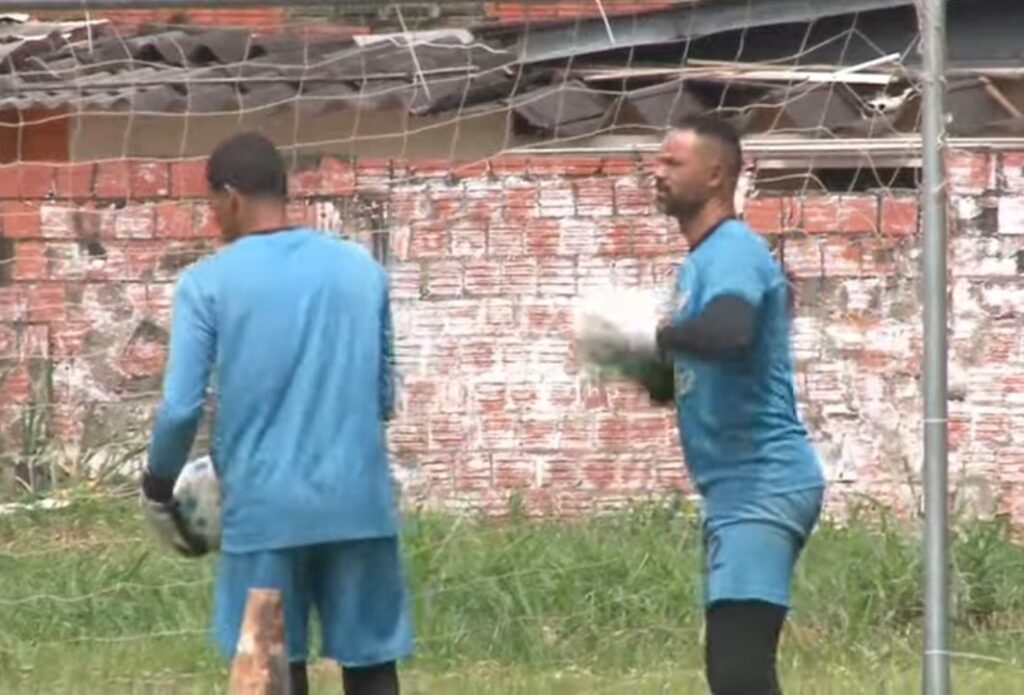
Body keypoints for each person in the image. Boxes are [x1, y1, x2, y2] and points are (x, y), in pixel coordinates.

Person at [138, 131, 412, 695]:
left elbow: (180, 407)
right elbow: (384, 395)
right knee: (372, 667)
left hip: (265, 513)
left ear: (231, 197)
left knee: (269, 667)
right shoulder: (362, 269)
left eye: (212, 203)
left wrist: (158, 483)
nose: (213, 217)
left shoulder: (207, 283)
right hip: (359, 503)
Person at [646, 117, 826, 694]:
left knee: (739, 671)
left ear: (717, 174)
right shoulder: (701, 263)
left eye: (673, 163)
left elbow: (730, 331)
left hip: (763, 482)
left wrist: (661, 335)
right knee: (734, 668)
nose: (656, 170)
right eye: (658, 161)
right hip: (737, 489)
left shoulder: (733, 251)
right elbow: (684, 376)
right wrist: (639, 356)